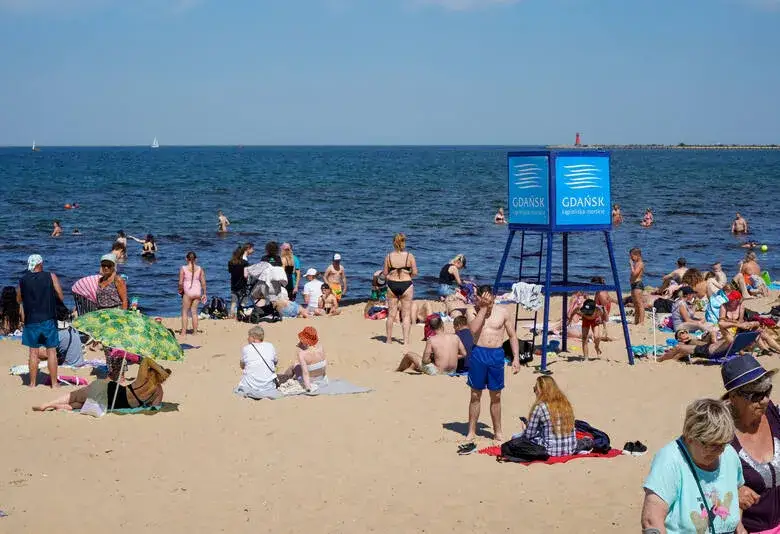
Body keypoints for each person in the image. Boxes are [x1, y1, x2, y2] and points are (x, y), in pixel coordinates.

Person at [641, 399, 746, 534]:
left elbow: (733, 499)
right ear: (690, 437)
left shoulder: (729, 454)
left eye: (723, 444)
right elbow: (651, 521)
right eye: (712, 445)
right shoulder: (670, 460)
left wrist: (739, 527)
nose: (719, 451)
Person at [721, 355, 780, 533]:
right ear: (733, 396)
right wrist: (731, 491)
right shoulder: (720, 428)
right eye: (755, 395)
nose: (764, 400)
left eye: (767, 391)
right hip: (747, 528)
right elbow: (698, 475)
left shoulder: (773, 414)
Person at [462, 285, 520, 448]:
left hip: (496, 355)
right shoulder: (472, 310)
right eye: (483, 299)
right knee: (475, 395)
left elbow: (513, 335)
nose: (488, 302)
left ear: (494, 298)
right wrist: (483, 308)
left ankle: (498, 432)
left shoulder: (503, 312)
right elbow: (473, 329)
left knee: (496, 396)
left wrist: (516, 357)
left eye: (490, 299)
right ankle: (471, 431)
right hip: (478, 353)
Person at [33, 357, 171, 412]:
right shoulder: (158, 391)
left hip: (111, 391)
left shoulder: (143, 379)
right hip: (115, 404)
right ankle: (60, 407)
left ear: (153, 372)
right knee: (81, 404)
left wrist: (158, 368)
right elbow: (154, 409)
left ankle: (48, 404)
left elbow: (146, 359)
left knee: (75, 395)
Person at [17, 254, 64, 389]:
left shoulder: (23, 280)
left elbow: (19, 299)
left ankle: (32, 384)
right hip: (48, 317)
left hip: (31, 320)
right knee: (51, 352)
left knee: (33, 352)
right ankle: (55, 384)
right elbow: (60, 295)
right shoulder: (50, 276)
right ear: (40, 264)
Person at [513, 376, 577, 457]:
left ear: (540, 391)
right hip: (570, 449)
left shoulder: (540, 407)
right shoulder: (566, 404)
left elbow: (529, 435)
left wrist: (525, 429)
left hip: (549, 451)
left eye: (535, 389)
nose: (534, 392)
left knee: (515, 437)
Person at [397, 315, 467, 375]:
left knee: (409, 354)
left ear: (431, 328)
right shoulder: (455, 337)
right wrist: (453, 356)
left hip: (437, 372)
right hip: (452, 371)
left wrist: (433, 358)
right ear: (442, 324)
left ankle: (397, 371)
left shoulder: (431, 340)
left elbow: (425, 360)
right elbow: (464, 354)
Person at [383, 233, 418, 345]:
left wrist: (390, 277)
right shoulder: (409, 256)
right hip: (406, 284)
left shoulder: (389, 256)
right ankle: (406, 340)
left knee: (391, 314)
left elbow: (385, 274)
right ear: (403, 243)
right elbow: (415, 272)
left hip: (392, 284)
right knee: (406, 314)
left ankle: (388, 340)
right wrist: (408, 276)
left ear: (394, 243)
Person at [279, 326, 328, 392]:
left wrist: (308, 388)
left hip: (310, 380)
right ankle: (285, 377)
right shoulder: (321, 348)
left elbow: (305, 373)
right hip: (322, 378)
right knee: (301, 365)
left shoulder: (302, 354)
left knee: (294, 365)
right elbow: (323, 365)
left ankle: (283, 379)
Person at [234, 326, 278, 397]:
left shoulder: (246, 348)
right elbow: (275, 362)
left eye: (249, 336)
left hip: (250, 386)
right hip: (268, 387)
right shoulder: (270, 346)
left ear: (253, 337)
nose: (247, 338)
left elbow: (242, 366)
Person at [178, 251, 207, 336]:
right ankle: (195, 332)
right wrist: (204, 293)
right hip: (197, 292)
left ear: (186, 259)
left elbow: (180, 282)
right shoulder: (200, 268)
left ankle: (183, 332)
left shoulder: (183, 268)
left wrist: (180, 290)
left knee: (185, 312)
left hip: (188, 292)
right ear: (196, 259)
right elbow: (203, 282)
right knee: (194, 312)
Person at [228, 244, 250, 319]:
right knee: (243, 302)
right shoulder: (245, 263)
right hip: (243, 285)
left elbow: (230, 272)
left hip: (233, 284)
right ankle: (240, 315)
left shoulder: (230, 262)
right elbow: (246, 275)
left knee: (233, 301)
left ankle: (231, 315)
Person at [629, 247, 645, 325]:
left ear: (637, 255)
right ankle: (636, 321)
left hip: (638, 285)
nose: (631, 258)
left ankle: (641, 322)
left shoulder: (640, 263)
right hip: (633, 285)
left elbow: (635, 274)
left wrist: (631, 266)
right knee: (635, 304)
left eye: (632, 256)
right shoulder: (636, 263)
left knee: (639, 304)